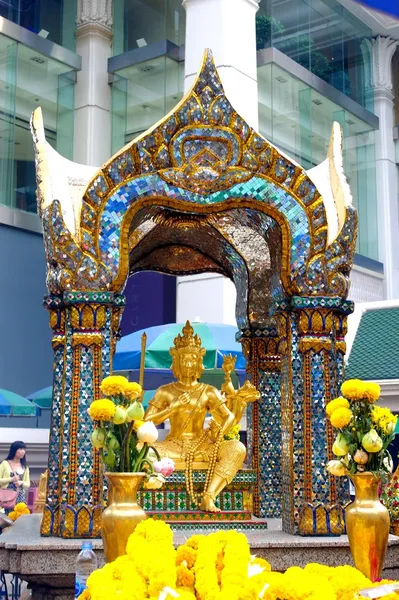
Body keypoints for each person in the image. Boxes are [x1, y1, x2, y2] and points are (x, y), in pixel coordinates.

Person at [0, 441, 30, 510]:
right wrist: (11, 479)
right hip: (6, 497)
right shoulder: (5, 464)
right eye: (20, 449)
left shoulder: (25, 467)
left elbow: (28, 484)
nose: (23, 452)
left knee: (19, 516)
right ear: (14, 450)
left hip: (20, 497)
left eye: (24, 449)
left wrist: (21, 482)